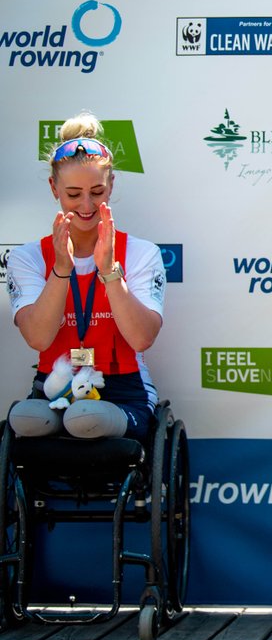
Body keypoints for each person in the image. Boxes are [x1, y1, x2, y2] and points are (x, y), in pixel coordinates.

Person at [7, 113, 166, 442]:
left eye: (97, 191)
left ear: (111, 185)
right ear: (54, 188)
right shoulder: (27, 257)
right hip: (55, 385)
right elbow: (38, 338)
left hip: (122, 388)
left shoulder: (140, 252)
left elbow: (141, 338)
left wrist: (109, 271)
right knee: (24, 418)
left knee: (84, 418)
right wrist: (61, 269)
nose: (86, 204)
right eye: (74, 193)